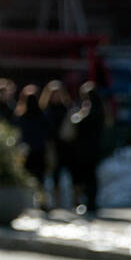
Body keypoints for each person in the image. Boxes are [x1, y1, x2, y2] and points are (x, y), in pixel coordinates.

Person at [70, 81, 106, 217]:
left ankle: (90, 202)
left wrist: (78, 115)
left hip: (86, 149)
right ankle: (91, 202)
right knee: (92, 176)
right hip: (95, 148)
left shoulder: (90, 110)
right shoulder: (101, 109)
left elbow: (78, 123)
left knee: (87, 177)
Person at [14, 84, 50, 209]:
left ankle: (25, 202)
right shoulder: (43, 116)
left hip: (25, 151)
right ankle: (42, 202)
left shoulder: (21, 117)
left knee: (25, 177)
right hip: (40, 150)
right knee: (40, 179)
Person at [39, 80, 73, 209]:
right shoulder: (45, 110)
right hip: (50, 146)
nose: (56, 97)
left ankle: (64, 201)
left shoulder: (67, 109)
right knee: (51, 173)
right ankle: (49, 201)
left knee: (65, 173)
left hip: (64, 145)